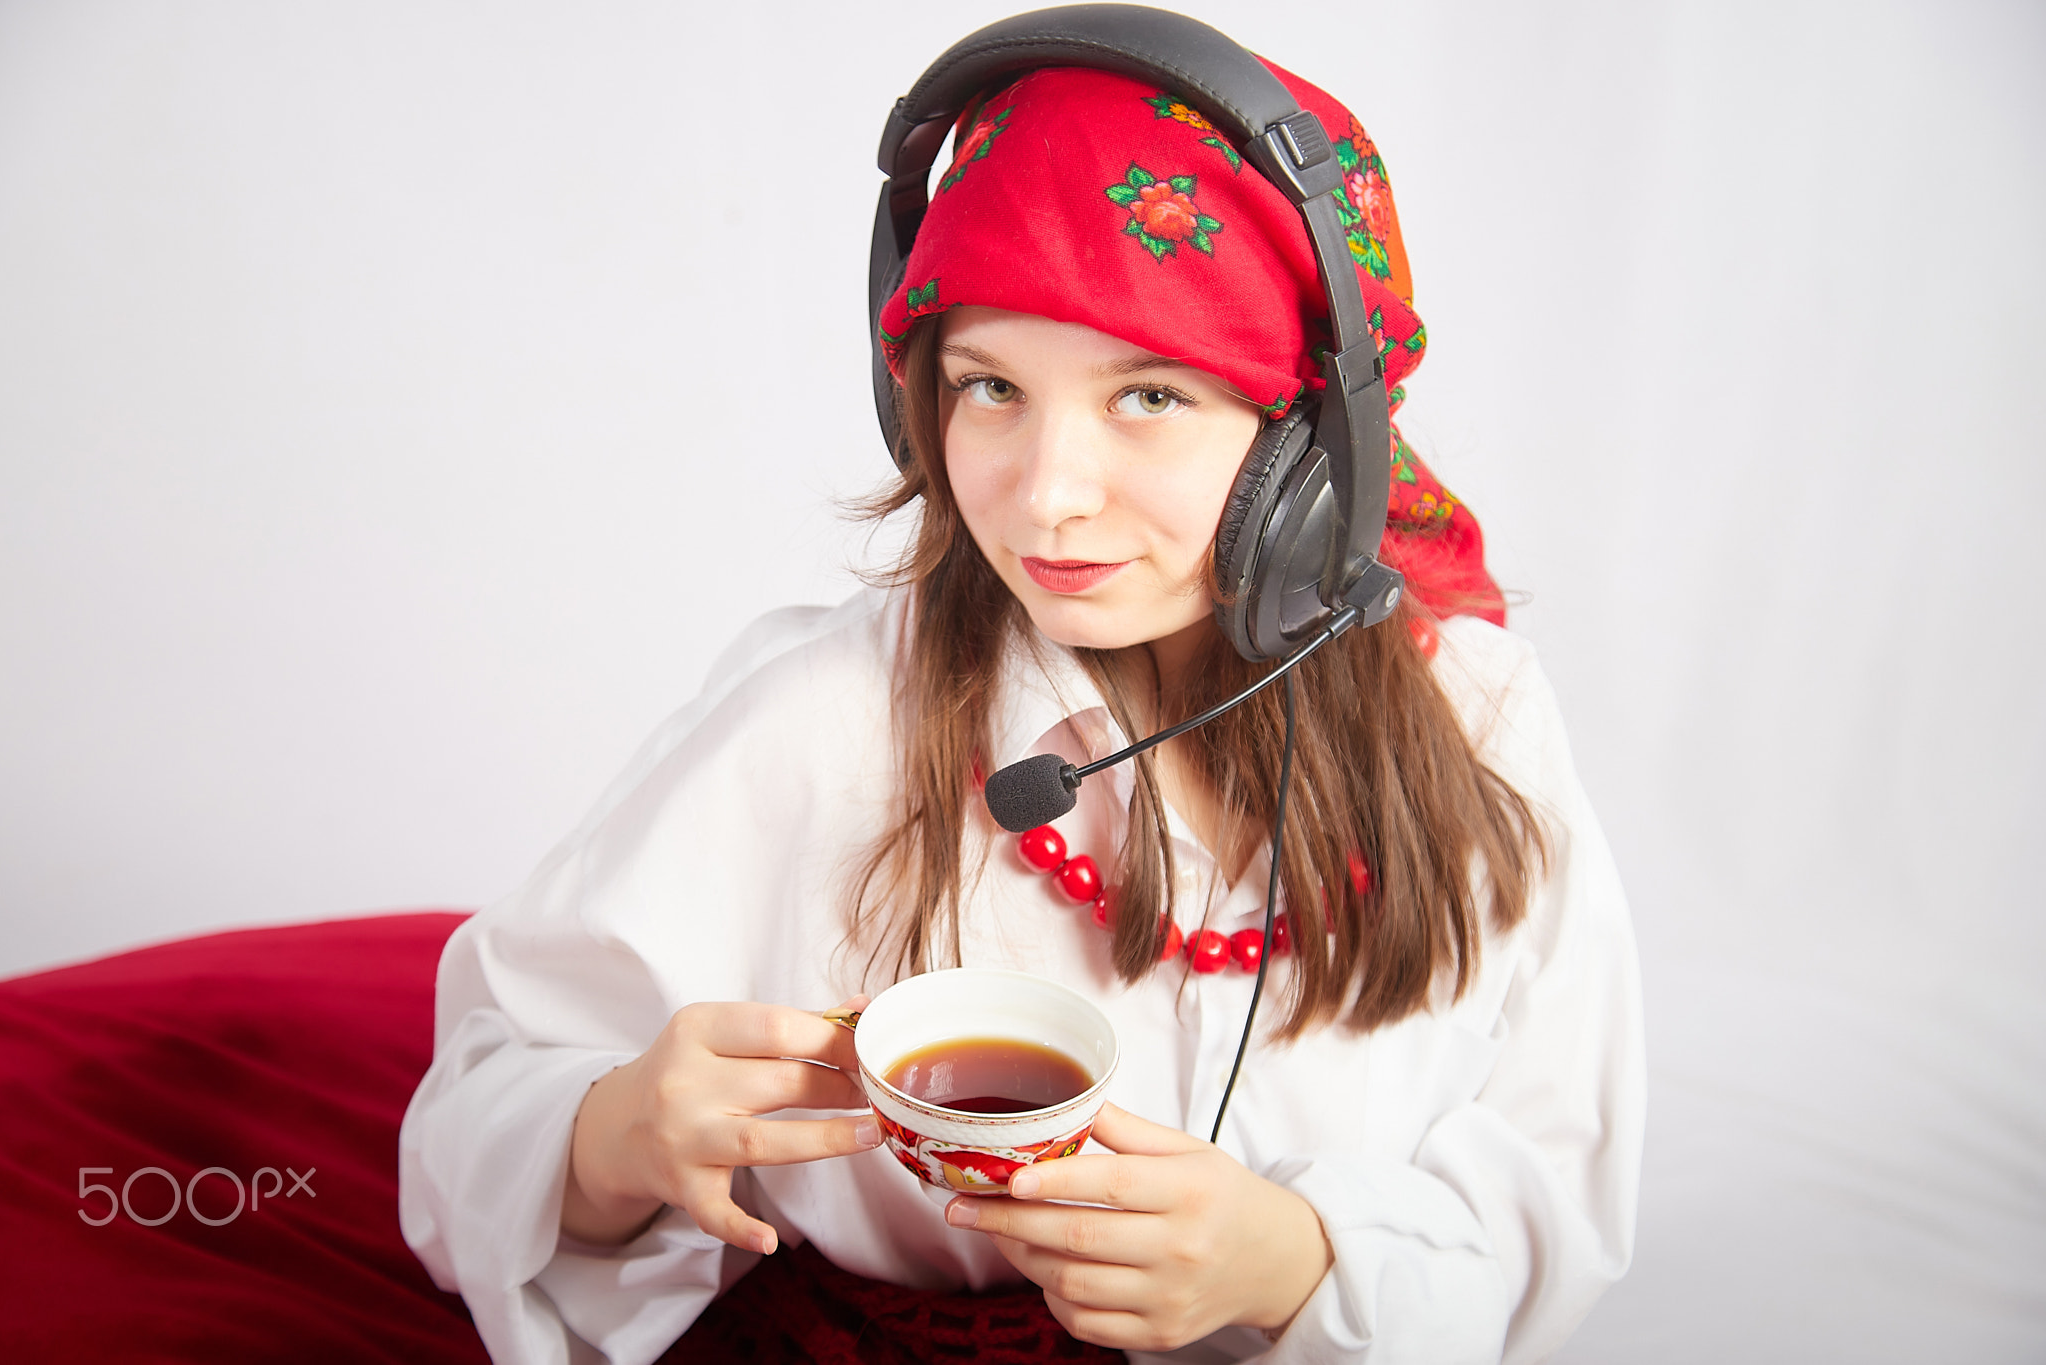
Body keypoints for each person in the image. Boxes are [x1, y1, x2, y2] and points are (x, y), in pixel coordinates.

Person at [398, 18, 1643, 1365]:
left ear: (1316, 443)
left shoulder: (1483, 718)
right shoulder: (822, 713)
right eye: (991, 386)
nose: (1047, 494)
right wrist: (610, 1136)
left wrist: (1291, 1261)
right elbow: (476, 1111)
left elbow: (1555, 1198)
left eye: (1149, 395)